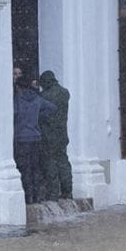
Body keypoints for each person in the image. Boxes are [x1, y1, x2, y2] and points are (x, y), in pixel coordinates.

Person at [14, 74, 56, 204]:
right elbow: (53, 108)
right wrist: (38, 116)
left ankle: (27, 197)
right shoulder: (37, 99)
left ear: (18, 87)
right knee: (35, 168)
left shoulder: (16, 99)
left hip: (21, 138)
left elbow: (13, 113)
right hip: (36, 138)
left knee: (24, 168)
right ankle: (36, 196)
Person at [38, 70, 73, 201]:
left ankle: (53, 193)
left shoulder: (44, 96)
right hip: (62, 134)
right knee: (63, 162)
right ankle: (67, 191)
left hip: (48, 135)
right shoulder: (65, 93)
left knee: (50, 164)